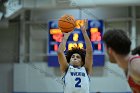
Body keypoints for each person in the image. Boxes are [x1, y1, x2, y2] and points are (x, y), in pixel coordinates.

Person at [57, 20, 93, 93]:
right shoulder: (66, 68)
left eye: (78, 57)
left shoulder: (86, 69)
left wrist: (84, 33)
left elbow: (89, 52)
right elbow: (60, 52)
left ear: (82, 61)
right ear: (69, 60)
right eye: (72, 56)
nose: (75, 57)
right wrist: (65, 36)